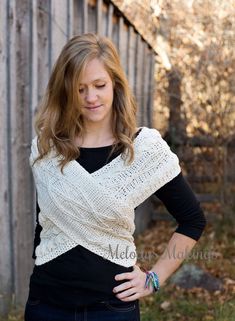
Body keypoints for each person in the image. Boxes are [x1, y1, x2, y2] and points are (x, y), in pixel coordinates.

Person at [24, 33, 207, 321]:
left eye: (99, 85)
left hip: (111, 309)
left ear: (115, 84)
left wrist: (153, 279)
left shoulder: (143, 151)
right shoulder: (48, 148)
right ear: (66, 90)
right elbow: (45, 224)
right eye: (80, 88)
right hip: (47, 306)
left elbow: (193, 220)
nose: (90, 97)